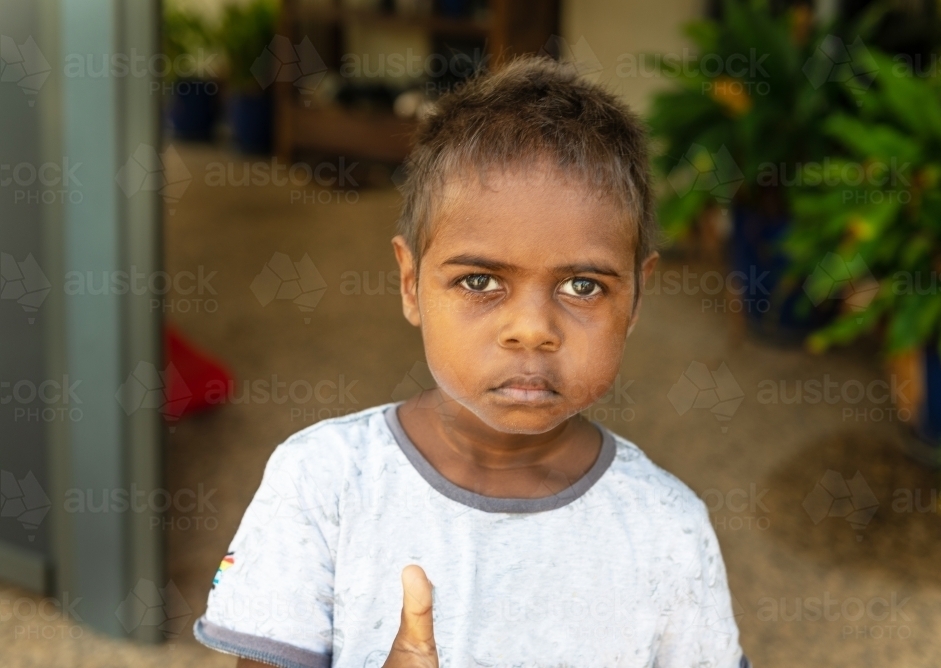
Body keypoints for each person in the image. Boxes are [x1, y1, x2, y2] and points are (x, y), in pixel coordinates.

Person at [194, 55, 749, 668]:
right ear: (411, 284)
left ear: (637, 296)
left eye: (584, 286)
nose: (532, 330)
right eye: (481, 281)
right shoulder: (323, 484)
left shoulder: (669, 529)